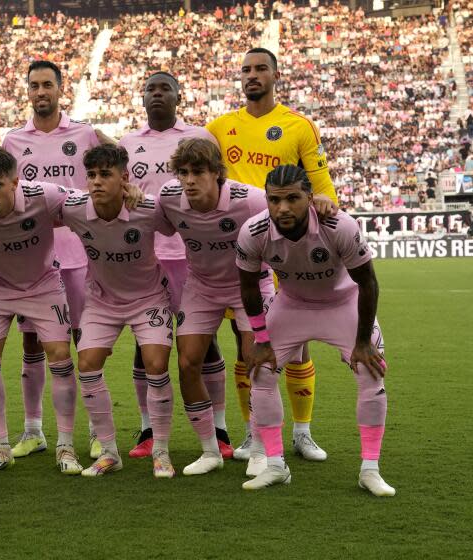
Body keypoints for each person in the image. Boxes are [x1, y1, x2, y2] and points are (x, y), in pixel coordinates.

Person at [0, 147, 142, 474]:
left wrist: (129, 191)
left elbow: (92, 200)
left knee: (60, 356)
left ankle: (65, 447)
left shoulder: (43, 195)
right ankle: (1, 448)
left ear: (15, 183)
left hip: (43, 286)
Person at [207, 47, 338, 463]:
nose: (252, 75)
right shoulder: (218, 128)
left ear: (275, 75)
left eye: (260, 68)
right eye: (245, 69)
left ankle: (302, 431)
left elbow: (321, 186)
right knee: (246, 345)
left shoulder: (297, 126)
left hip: (287, 251)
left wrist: (330, 218)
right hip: (237, 251)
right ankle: (252, 431)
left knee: (298, 344)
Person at [235, 164, 394, 496]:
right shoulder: (254, 230)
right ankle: (276, 465)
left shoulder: (340, 225)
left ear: (310, 197)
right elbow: (249, 288)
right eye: (275, 200)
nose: (283, 208)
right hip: (292, 304)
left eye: (293, 198)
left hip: (343, 303)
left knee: (371, 372)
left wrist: (363, 341)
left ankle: (370, 470)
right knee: (262, 373)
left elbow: (368, 282)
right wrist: (261, 340)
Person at [119, 71, 233, 460]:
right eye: (150, 89)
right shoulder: (128, 144)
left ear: (178, 95)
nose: (157, 95)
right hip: (143, 258)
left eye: (165, 88)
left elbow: (222, 189)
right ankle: (148, 428)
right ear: (142, 97)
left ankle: (219, 429)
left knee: (205, 340)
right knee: (145, 341)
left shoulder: (200, 138)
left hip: (190, 256)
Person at [1, 61, 105, 459]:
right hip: (32, 258)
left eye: (47, 84)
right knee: (32, 342)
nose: (41, 91)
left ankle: (97, 429)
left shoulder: (85, 134)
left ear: (61, 89)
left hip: (78, 253)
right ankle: (33, 430)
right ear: (27, 91)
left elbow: (114, 169)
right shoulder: (12, 140)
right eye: (34, 85)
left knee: (83, 340)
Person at [155, 138, 274, 477]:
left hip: (249, 285)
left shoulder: (249, 200)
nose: (189, 180)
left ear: (217, 174)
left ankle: (261, 449)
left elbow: (286, 215)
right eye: (184, 173)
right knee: (188, 362)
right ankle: (210, 451)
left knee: (258, 365)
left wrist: (319, 201)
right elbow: (155, 220)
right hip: (202, 287)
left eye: (198, 172)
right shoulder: (169, 198)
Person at [60, 144, 177, 478]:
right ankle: (110, 452)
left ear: (124, 178)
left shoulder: (148, 208)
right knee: (87, 363)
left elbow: (174, 226)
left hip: (149, 298)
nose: (96, 182)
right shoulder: (74, 209)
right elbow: (39, 203)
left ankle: (162, 452)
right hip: (101, 300)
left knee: (156, 364)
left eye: (105, 175)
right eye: (92, 175)